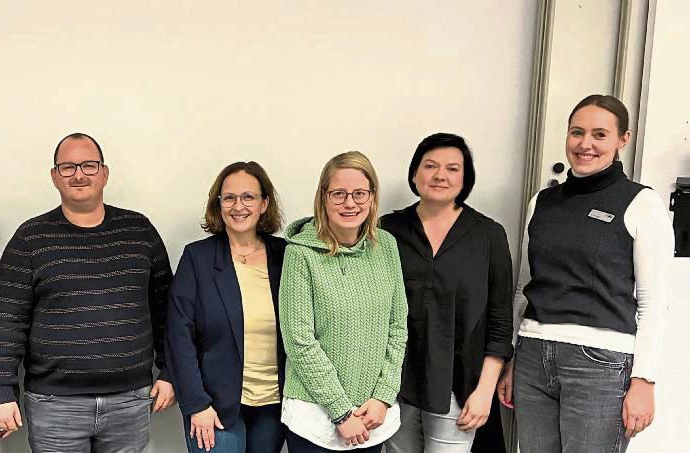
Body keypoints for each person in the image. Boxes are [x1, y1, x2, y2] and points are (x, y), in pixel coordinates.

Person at [496, 94, 674, 453]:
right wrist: (514, 356)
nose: (585, 144)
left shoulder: (642, 204)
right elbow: (524, 289)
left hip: (600, 364)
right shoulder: (541, 203)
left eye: (599, 134)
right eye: (577, 132)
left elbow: (653, 304)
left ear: (623, 139)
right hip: (533, 356)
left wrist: (644, 380)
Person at [0, 132, 175, 452]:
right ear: (54, 176)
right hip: (54, 404)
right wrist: (2, 390)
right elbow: (8, 320)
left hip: (129, 401)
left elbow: (165, 310)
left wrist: (170, 370)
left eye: (89, 165)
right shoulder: (30, 238)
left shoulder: (139, 231)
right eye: (68, 167)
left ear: (104, 173)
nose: (78, 175)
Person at [380, 133, 513, 453]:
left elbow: (499, 321)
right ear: (414, 174)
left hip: (459, 387)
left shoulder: (488, 235)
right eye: (430, 166)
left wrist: (484, 390)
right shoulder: (389, 229)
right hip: (395, 384)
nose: (440, 175)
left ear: (465, 178)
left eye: (453, 168)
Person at [278, 151, 407, 453]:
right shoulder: (300, 254)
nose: (350, 203)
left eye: (360, 193)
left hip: (373, 415)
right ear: (323, 197)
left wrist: (384, 396)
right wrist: (341, 412)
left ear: (373, 197)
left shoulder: (386, 246)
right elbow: (299, 342)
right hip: (316, 419)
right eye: (339, 194)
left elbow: (398, 326)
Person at [167, 161, 288, 453]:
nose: (238, 206)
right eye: (229, 197)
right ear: (218, 204)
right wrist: (197, 403)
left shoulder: (286, 256)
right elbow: (178, 335)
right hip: (214, 406)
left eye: (248, 197)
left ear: (264, 203)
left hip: (274, 406)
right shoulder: (198, 258)